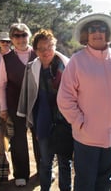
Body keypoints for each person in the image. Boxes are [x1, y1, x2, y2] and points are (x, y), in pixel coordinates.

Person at [57, 13, 111, 191]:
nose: (97, 33)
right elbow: (64, 98)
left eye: (101, 28)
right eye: (92, 29)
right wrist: (80, 123)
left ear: (107, 33)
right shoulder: (77, 61)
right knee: (85, 183)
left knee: (104, 182)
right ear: (86, 34)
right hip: (87, 138)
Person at [17, 29, 72, 191]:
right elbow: (27, 94)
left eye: (49, 46)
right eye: (41, 48)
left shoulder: (68, 66)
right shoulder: (31, 68)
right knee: (45, 161)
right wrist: (29, 119)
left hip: (65, 122)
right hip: (43, 121)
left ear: (55, 46)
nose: (46, 51)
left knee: (64, 162)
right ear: (35, 51)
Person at [0, 23, 41, 187]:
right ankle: (21, 174)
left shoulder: (38, 54)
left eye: (24, 35)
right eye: (16, 36)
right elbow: (1, 85)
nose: (20, 38)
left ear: (29, 36)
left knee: (40, 138)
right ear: (11, 39)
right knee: (18, 140)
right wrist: (3, 108)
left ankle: (43, 170)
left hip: (37, 104)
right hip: (15, 105)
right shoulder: (6, 59)